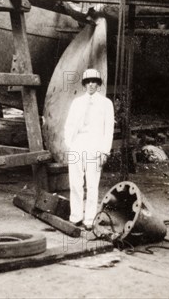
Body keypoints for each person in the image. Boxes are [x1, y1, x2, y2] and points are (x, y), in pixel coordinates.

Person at [64, 68, 115, 230]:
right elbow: (69, 125)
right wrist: (69, 145)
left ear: (98, 84)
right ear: (84, 84)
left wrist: (105, 151)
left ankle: (90, 219)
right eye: (88, 82)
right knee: (75, 183)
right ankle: (76, 216)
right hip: (78, 144)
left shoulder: (106, 104)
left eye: (94, 82)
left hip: (95, 146)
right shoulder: (77, 102)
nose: (91, 85)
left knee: (92, 184)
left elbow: (108, 131)